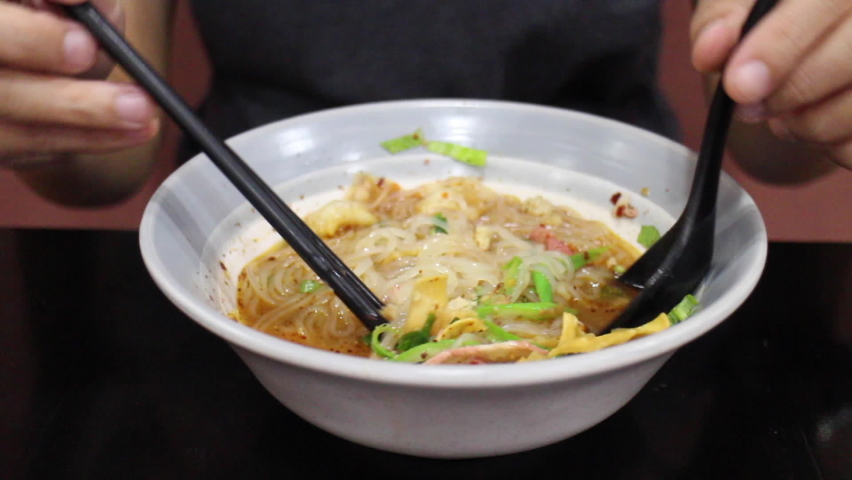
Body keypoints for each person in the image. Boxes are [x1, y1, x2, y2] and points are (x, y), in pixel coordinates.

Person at [1, 0, 849, 206]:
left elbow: (772, 148)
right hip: (243, 229)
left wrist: (806, 72)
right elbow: (108, 158)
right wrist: (50, 80)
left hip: (632, 246)